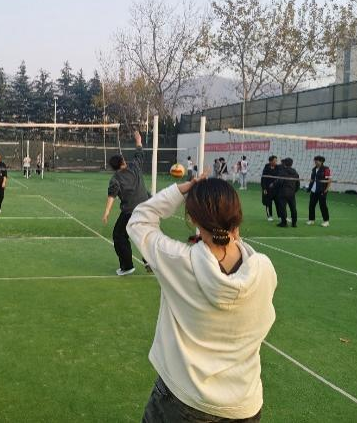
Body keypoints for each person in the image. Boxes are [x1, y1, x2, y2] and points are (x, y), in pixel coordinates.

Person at [127, 177, 277, 422]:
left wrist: (180, 190)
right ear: (236, 215)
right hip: (244, 405)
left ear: (193, 219)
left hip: (184, 400)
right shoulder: (264, 268)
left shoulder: (179, 261)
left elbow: (140, 220)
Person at [102, 130, 150, 276]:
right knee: (144, 234)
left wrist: (107, 212)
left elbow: (111, 196)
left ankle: (127, 266)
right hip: (147, 208)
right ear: (123, 162)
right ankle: (149, 261)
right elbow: (139, 153)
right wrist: (138, 140)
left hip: (131, 212)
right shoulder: (135, 166)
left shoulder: (115, 179)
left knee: (119, 235)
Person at [307, 155, 331, 227]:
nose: (315, 162)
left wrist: (326, 190)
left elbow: (329, 180)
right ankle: (311, 220)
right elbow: (312, 180)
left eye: (316, 161)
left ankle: (326, 221)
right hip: (313, 190)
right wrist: (309, 187)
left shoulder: (326, 169)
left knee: (322, 206)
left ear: (321, 161)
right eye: (315, 161)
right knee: (311, 205)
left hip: (322, 190)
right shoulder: (314, 169)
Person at [275, 158, 300, 227]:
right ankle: (294, 223)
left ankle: (284, 223)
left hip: (283, 193)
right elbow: (298, 183)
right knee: (293, 208)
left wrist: (275, 186)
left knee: (282, 208)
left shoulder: (283, 172)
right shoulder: (295, 172)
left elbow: (279, 182)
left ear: (284, 163)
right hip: (291, 193)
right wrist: (294, 191)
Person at [261, 155, 279, 221]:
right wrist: (264, 189)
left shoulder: (278, 167)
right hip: (268, 189)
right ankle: (269, 216)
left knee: (278, 203)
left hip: (276, 189)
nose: (276, 162)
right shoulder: (266, 167)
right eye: (275, 161)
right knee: (268, 203)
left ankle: (280, 216)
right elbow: (263, 179)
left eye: (276, 160)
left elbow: (279, 178)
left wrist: (274, 183)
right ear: (270, 161)